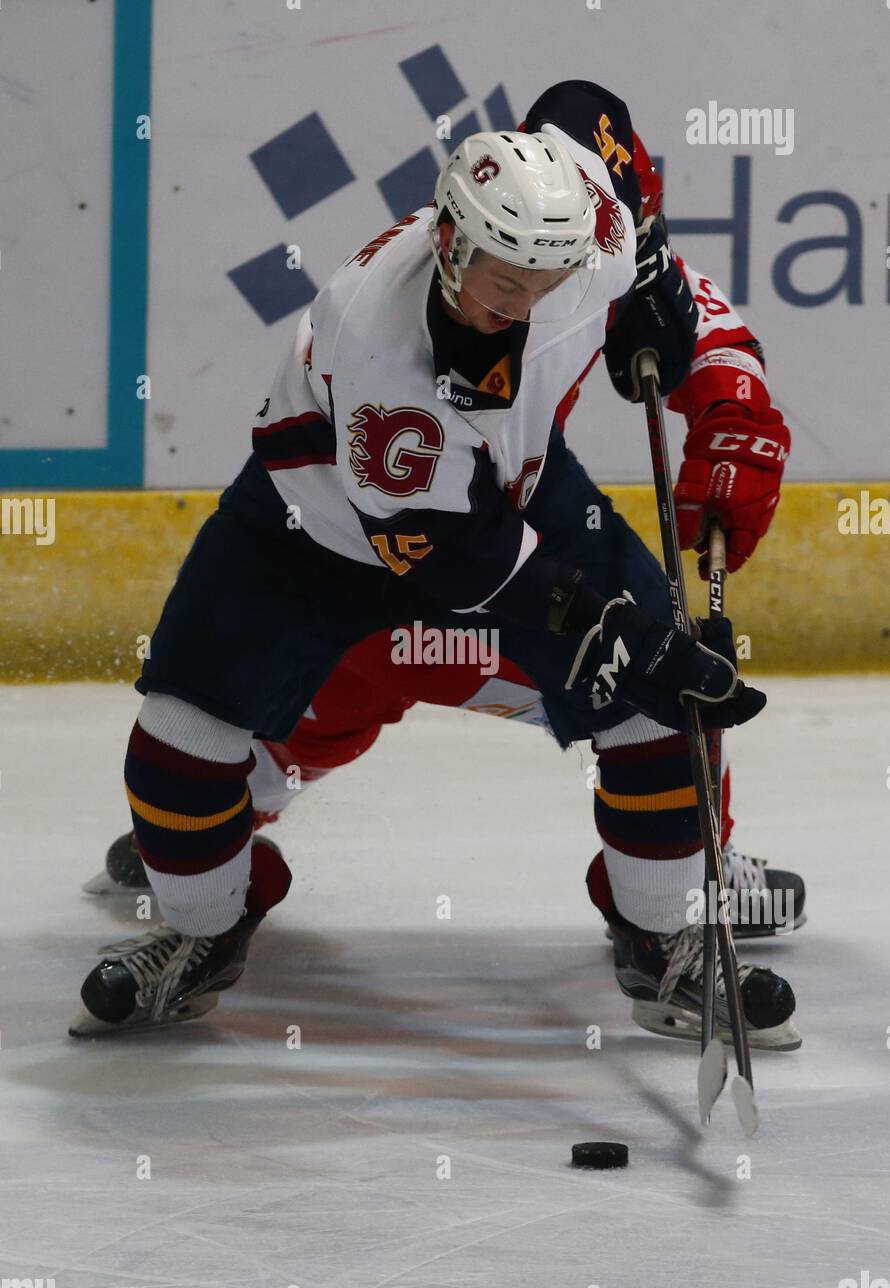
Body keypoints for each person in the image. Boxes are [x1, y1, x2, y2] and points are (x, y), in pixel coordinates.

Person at [71, 80, 800, 1051]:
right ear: (448, 234)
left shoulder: (585, 224)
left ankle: (662, 931)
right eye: (503, 278)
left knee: (664, 709)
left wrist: (697, 346)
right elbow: (463, 563)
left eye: (547, 277)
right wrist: (612, 633)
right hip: (311, 528)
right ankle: (204, 924)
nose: (525, 301)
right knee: (179, 733)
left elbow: (585, 106)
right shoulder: (383, 355)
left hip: (516, 486)